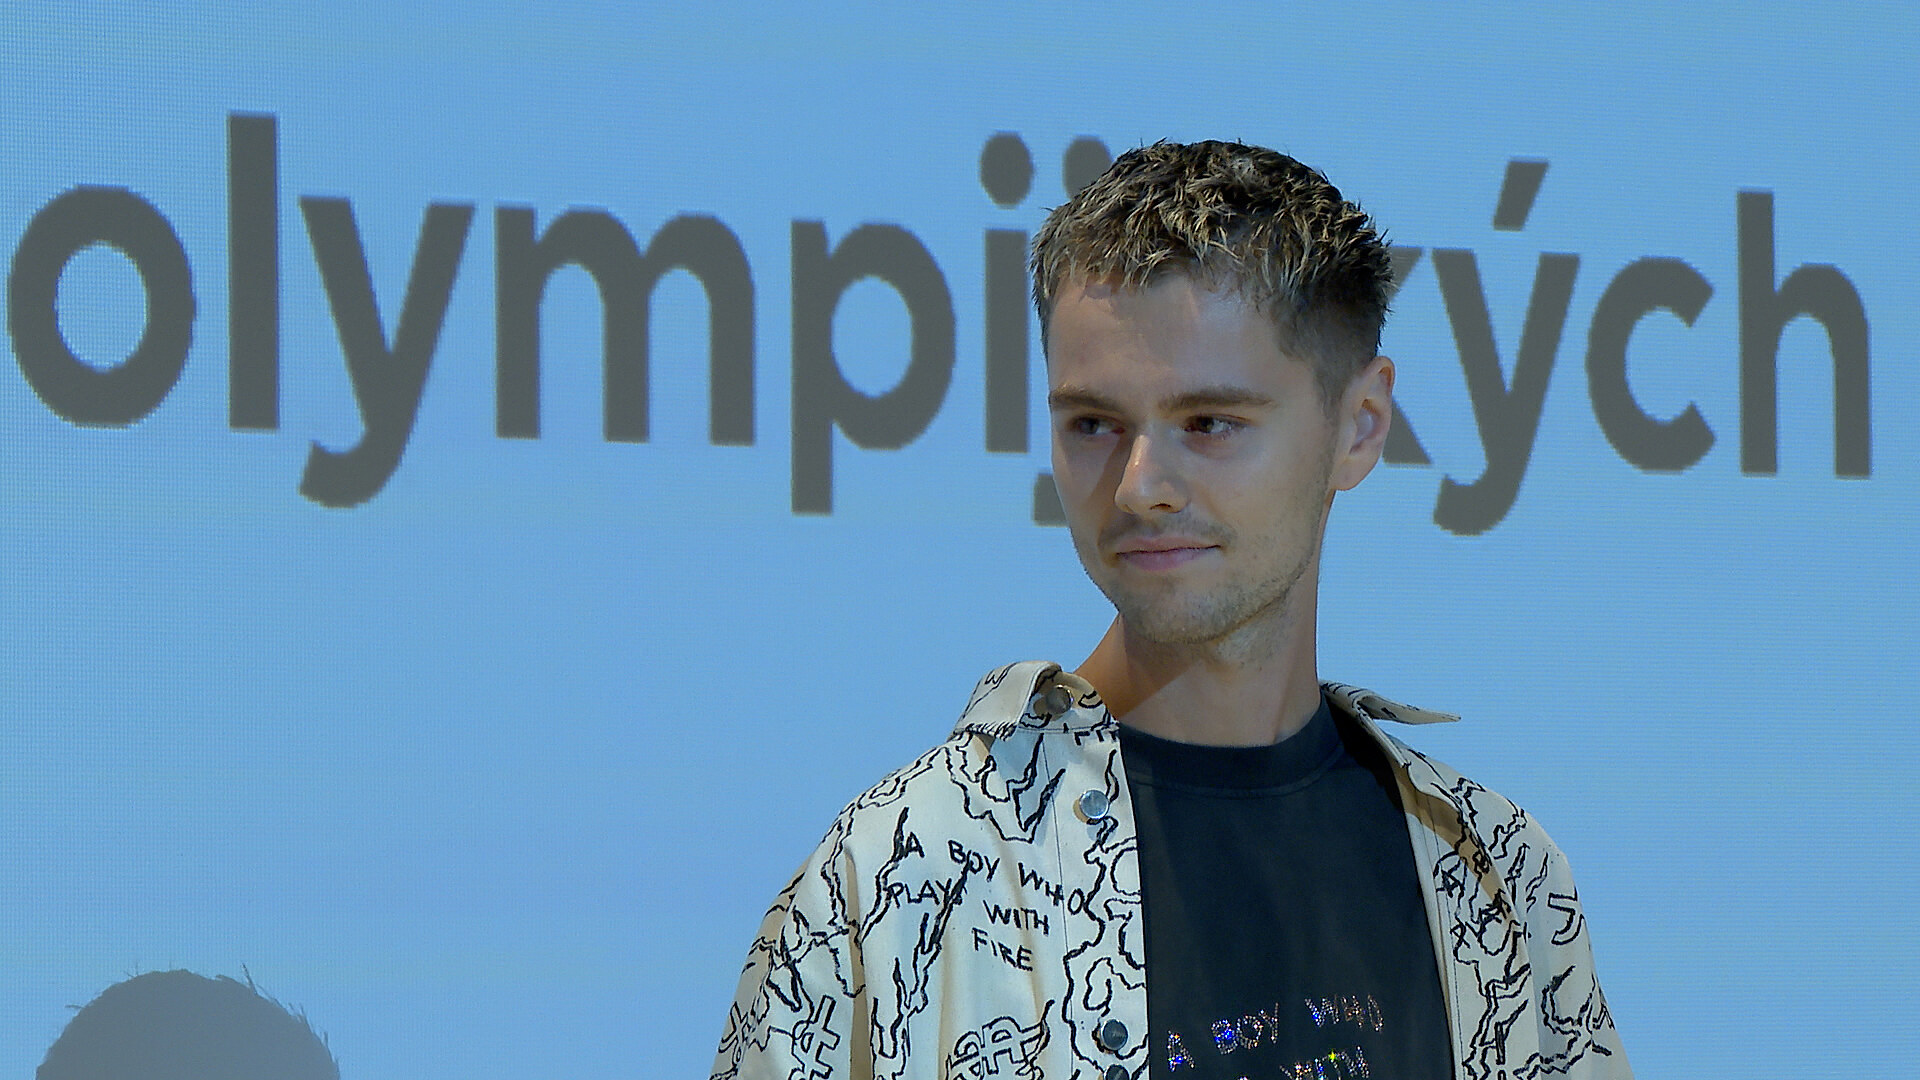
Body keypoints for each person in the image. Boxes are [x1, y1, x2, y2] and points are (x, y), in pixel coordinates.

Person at [710, 140, 1631, 1080]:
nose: (1139, 485)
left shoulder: (1497, 875)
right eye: (1093, 424)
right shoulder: (901, 876)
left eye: (1209, 423)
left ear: (1360, 426)